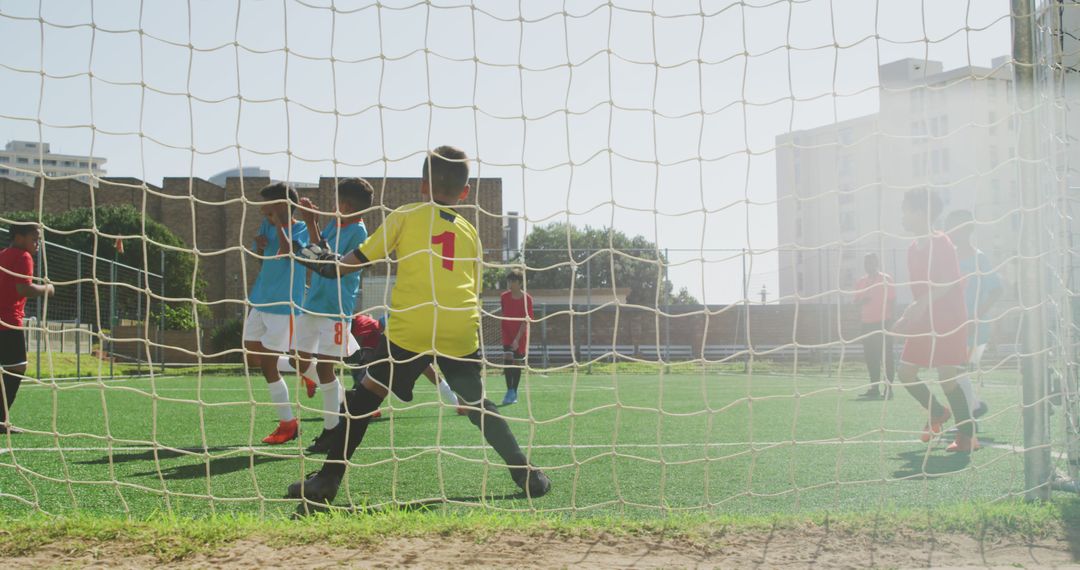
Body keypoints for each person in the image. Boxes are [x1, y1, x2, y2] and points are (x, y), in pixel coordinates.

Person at [287, 146, 551, 505]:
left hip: (412, 326)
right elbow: (472, 289)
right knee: (475, 404)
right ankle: (526, 474)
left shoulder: (405, 215)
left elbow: (355, 260)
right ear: (465, 191)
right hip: (459, 327)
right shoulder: (470, 232)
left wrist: (322, 263)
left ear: (422, 185)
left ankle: (328, 480)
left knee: (363, 398)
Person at [290, 178, 371, 454]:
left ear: (346, 205)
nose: (335, 206)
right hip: (313, 302)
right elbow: (319, 248)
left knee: (325, 368)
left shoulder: (359, 233)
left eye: (338, 202)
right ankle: (339, 399)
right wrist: (311, 222)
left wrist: (316, 246)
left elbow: (335, 262)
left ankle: (331, 431)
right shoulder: (334, 223)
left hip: (336, 309)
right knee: (297, 359)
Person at [892, 189, 977, 453]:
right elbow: (920, 291)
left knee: (946, 377)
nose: (902, 216)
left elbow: (947, 282)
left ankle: (967, 437)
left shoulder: (942, 242)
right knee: (905, 372)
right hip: (924, 318)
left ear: (920, 212)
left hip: (949, 317)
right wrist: (908, 314)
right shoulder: (911, 248)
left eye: (905, 209)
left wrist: (920, 306)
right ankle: (938, 412)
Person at [244, 182, 308, 445]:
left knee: (269, 363)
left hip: (284, 304)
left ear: (283, 206)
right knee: (251, 355)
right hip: (260, 299)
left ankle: (288, 424)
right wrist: (260, 246)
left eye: (267, 205)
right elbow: (265, 258)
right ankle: (309, 370)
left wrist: (281, 223)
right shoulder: (266, 226)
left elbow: (288, 252)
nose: (262, 210)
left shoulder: (301, 228)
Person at [945, 209, 1001, 422]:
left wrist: (976, 317)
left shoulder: (979, 258)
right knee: (954, 373)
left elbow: (997, 290)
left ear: (967, 229)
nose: (950, 231)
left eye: (954, 226)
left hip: (975, 327)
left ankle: (967, 422)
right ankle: (974, 407)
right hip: (952, 326)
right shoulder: (948, 258)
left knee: (957, 372)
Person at [0, 223, 54, 434]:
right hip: (8, 321)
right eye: (34, 239)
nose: (37, 243)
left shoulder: (3, 254)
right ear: (19, 237)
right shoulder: (23, 257)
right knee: (17, 366)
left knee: (10, 367)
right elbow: (24, 288)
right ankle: (1, 420)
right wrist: (48, 289)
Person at [853, 253, 896, 400]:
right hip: (866, 325)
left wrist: (891, 323)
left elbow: (893, 301)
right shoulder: (861, 282)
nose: (868, 265)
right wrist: (863, 300)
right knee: (871, 357)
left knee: (886, 357)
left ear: (876, 263)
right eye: (866, 263)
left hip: (883, 324)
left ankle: (889, 389)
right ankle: (874, 388)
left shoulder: (886, 279)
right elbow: (855, 302)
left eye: (871, 262)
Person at [500, 268, 533, 406]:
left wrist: (517, 339)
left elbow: (526, 320)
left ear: (520, 283)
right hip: (507, 333)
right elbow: (504, 314)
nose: (510, 283)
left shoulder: (527, 299)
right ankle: (510, 390)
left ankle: (515, 391)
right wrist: (509, 337)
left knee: (517, 363)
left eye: (513, 281)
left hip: (520, 334)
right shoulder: (504, 297)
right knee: (508, 359)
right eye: (508, 280)